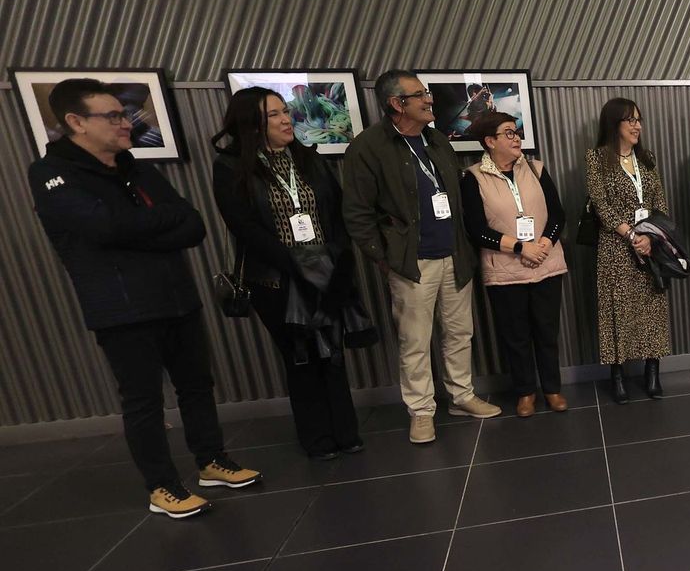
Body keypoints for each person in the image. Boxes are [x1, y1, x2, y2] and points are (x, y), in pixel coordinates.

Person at [27, 78, 261, 518]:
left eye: (124, 113)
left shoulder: (134, 166)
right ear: (76, 122)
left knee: (197, 386)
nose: (125, 122)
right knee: (143, 401)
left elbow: (191, 225)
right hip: (121, 308)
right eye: (112, 116)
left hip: (176, 296)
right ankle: (162, 485)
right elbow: (101, 229)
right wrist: (151, 226)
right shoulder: (52, 173)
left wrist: (133, 228)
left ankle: (211, 461)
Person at [343, 70, 501, 444]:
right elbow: (357, 215)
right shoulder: (367, 148)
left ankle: (461, 396)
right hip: (411, 264)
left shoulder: (437, 142)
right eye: (421, 95)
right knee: (415, 340)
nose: (430, 100)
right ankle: (421, 410)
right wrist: (386, 259)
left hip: (454, 256)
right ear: (397, 104)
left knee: (460, 333)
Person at [211, 87, 366, 460]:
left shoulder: (309, 160)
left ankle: (346, 433)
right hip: (276, 279)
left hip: (326, 273)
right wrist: (296, 265)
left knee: (332, 354)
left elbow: (337, 213)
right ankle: (317, 439)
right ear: (251, 124)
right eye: (275, 115)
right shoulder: (232, 167)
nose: (286, 120)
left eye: (286, 112)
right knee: (300, 356)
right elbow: (244, 227)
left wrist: (338, 261)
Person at [459, 112, 568, 417]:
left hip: (546, 264)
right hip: (505, 269)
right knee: (516, 335)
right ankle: (525, 393)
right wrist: (522, 248)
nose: (516, 137)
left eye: (516, 131)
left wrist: (543, 245)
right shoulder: (473, 178)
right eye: (507, 133)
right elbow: (477, 230)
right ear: (489, 141)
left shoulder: (535, 168)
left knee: (547, 331)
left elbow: (558, 215)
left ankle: (553, 389)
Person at [588, 97, 671, 403]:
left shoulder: (646, 158)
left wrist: (650, 237)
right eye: (630, 120)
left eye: (639, 119)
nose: (638, 125)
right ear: (614, 124)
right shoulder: (596, 158)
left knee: (653, 309)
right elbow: (600, 204)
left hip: (649, 247)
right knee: (617, 310)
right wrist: (630, 233)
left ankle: (653, 372)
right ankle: (618, 375)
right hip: (615, 248)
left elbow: (660, 204)